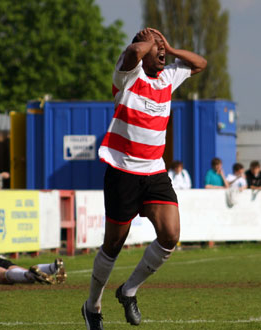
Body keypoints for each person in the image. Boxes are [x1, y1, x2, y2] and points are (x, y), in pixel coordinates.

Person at [82, 28, 206, 329]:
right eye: (157, 49)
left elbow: (200, 63)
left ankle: (129, 290)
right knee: (113, 245)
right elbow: (132, 54)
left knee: (170, 235)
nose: (161, 53)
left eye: (163, 50)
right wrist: (147, 41)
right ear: (143, 48)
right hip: (122, 171)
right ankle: (92, 306)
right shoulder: (128, 75)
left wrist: (171, 47)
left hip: (154, 171)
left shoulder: (168, 77)